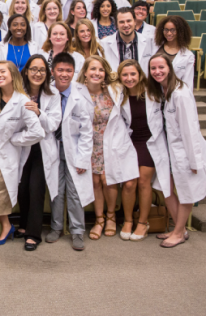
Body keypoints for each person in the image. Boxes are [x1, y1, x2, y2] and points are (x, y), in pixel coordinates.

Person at [0, 60, 44, 250]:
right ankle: (6, 225)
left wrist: (15, 139)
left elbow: (37, 132)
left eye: (2, 71)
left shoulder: (23, 101)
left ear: (13, 74)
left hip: (4, 150)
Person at [147, 54, 206, 247]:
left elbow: (190, 129)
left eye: (161, 67)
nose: (157, 72)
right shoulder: (161, 91)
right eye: (153, 68)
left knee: (186, 191)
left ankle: (179, 232)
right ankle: (178, 229)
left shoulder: (180, 92)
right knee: (166, 188)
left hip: (184, 151)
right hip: (168, 150)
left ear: (169, 67)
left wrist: (195, 161)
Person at [78, 56, 139, 240]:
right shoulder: (78, 91)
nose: (97, 73)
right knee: (95, 181)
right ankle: (99, 220)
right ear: (86, 73)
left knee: (108, 180)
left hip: (112, 141)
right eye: (93, 69)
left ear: (105, 74)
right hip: (90, 142)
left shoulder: (115, 89)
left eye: (101, 70)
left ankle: (111, 217)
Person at [45, 53, 93, 251]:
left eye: (68, 71)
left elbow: (86, 131)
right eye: (60, 70)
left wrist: (82, 159)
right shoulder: (47, 93)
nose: (64, 74)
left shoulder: (80, 96)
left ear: (74, 73)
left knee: (74, 193)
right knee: (56, 190)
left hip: (73, 150)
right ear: (53, 71)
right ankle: (56, 227)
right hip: (53, 148)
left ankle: (77, 230)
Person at [118, 59, 169, 241]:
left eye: (133, 74)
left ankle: (143, 222)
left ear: (140, 74)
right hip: (129, 142)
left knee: (143, 182)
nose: (129, 78)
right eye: (125, 74)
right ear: (120, 77)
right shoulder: (119, 95)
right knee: (129, 183)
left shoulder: (153, 92)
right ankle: (128, 220)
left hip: (149, 141)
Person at [16, 55, 60, 250]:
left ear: (47, 73)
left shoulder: (53, 95)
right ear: (26, 71)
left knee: (36, 189)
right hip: (23, 145)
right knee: (22, 188)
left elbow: (53, 124)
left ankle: (34, 234)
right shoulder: (18, 93)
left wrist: (39, 112)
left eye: (42, 70)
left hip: (42, 148)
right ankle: (24, 226)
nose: (37, 73)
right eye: (33, 69)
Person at [101, 7, 154, 74]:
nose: (126, 25)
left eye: (129, 21)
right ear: (116, 24)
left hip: (141, 83)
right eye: (122, 22)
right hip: (116, 83)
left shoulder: (150, 42)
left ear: (135, 21)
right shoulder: (103, 44)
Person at [154, 15, 194, 88]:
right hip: (155, 91)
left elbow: (188, 83)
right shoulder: (155, 48)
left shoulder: (188, 55)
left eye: (173, 30)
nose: (169, 33)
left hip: (175, 93)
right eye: (166, 30)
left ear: (180, 32)